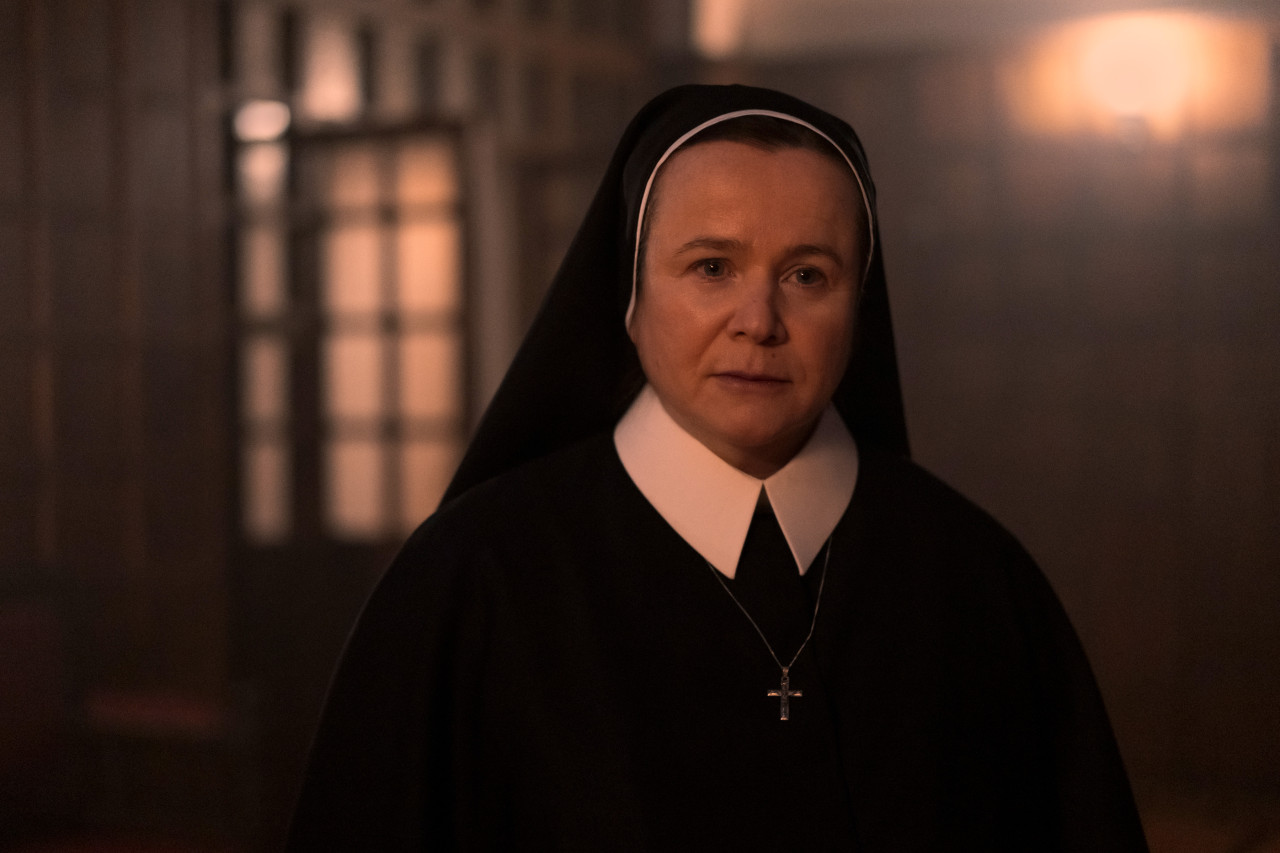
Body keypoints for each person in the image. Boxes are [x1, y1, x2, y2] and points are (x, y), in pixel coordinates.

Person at [287, 84, 1148, 851]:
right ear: (630, 297)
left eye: (806, 275)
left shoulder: (978, 578)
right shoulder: (468, 580)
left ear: (858, 307)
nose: (758, 320)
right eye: (711, 267)